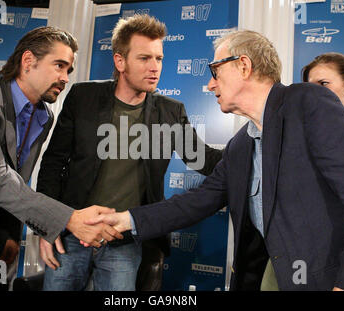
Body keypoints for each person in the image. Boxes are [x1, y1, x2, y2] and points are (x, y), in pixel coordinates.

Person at [86, 30, 344, 291]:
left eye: (215, 71)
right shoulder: (240, 146)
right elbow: (196, 201)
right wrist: (124, 219)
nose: (210, 85)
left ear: (244, 66)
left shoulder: (308, 102)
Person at [0, 26, 122, 291]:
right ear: (28, 61)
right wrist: (70, 219)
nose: (65, 78)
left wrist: (9, 236)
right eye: (59, 66)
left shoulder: (44, 115)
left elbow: (18, 179)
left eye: (69, 70)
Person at [36, 14, 222, 291]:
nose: (154, 67)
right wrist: (46, 227)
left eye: (159, 58)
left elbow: (203, 159)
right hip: (72, 234)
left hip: (125, 242)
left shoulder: (170, 112)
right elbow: (53, 163)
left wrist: (254, 149)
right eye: (144, 58)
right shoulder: (82, 97)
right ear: (120, 61)